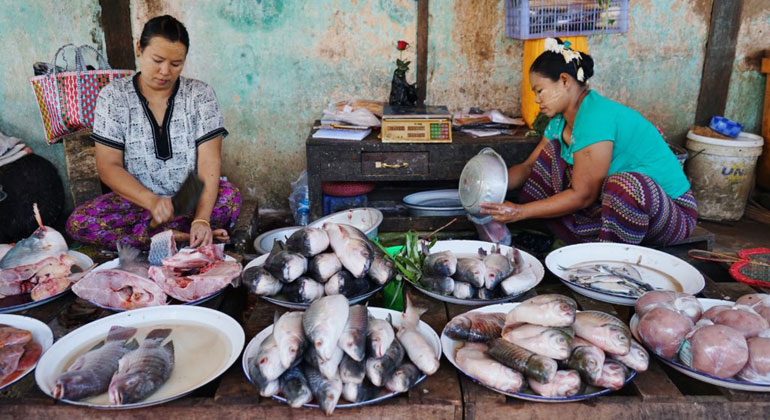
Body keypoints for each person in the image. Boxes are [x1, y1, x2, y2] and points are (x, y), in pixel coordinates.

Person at [480, 38, 697, 245]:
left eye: (540, 90)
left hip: (670, 214)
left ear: (564, 81)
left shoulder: (595, 116)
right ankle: (585, 234)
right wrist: (486, 191)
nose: (537, 99)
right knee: (549, 156)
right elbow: (528, 166)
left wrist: (520, 212)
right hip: (613, 206)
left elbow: (584, 195)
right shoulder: (559, 121)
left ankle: (610, 255)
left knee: (624, 186)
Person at [66, 15, 241, 250]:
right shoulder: (113, 97)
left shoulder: (200, 95)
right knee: (80, 223)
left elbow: (209, 162)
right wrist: (153, 202)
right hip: (138, 201)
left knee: (229, 198)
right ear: (139, 48)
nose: (165, 71)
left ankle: (176, 233)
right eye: (157, 60)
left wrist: (201, 219)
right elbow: (108, 166)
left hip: (188, 199)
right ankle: (178, 236)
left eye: (176, 64)